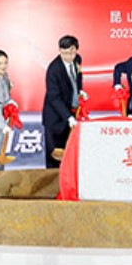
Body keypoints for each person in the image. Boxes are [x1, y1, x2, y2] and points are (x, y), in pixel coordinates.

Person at [42, 35, 85, 169]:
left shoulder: (77, 60)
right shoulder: (53, 69)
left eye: (71, 52)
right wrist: (68, 117)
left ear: (76, 50)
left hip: (70, 113)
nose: (67, 56)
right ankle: (52, 187)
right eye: (64, 53)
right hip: (55, 118)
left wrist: (79, 91)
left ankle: (67, 187)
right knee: (55, 157)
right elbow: (54, 97)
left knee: (69, 155)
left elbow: (76, 79)